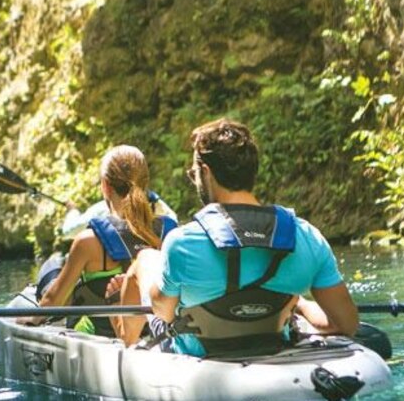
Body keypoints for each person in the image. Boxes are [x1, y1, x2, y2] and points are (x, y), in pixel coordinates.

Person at [116, 118, 359, 357]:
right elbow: (346, 324)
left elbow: (164, 313)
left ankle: (128, 345)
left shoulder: (182, 243)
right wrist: (301, 306)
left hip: (197, 352)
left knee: (146, 257)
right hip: (274, 342)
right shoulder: (308, 236)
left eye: (194, 173)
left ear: (206, 172)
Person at [18, 145, 177, 337]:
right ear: (146, 184)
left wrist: (32, 318)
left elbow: (53, 300)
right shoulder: (170, 232)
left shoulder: (88, 242)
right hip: (156, 330)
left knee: (53, 265)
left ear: (105, 186)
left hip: (104, 332)